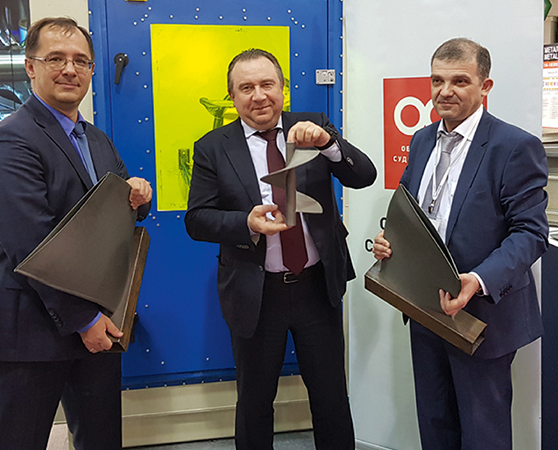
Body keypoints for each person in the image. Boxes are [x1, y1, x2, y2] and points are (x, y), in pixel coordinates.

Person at [0, 17, 152, 449]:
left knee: (101, 439)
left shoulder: (97, 140)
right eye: (55, 58)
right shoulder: (8, 141)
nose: (70, 69)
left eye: (80, 61)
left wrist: (140, 195)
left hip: (96, 323)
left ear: (91, 70)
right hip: (28, 329)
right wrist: (84, 320)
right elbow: (31, 243)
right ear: (30, 67)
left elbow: (120, 212)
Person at [185, 48, 376, 450]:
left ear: (283, 89)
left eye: (267, 84)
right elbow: (197, 219)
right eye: (246, 88)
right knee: (254, 404)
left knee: (330, 398)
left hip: (316, 288)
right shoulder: (212, 147)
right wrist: (246, 223)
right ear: (232, 96)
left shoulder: (313, 127)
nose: (259, 96)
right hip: (255, 294)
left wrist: (329, 144)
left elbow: (364, 176)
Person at [373, 38, 548, 450]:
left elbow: (530, 233)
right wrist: (391, 241)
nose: (445, 91)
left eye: (459, 81)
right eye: (437, 80)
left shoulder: (513, 146)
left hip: (483, 316)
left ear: (485, 86)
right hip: (425, 309)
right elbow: (412, 212)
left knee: (483, 433)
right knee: (435, 424)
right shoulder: (421, 140)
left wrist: (478, 280)